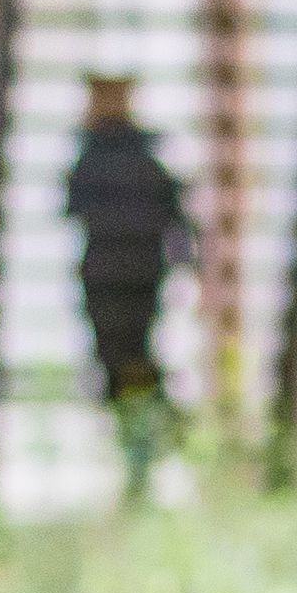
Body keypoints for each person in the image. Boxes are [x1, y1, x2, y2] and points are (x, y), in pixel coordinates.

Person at [64, 74, 188, 430]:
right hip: (128, 270)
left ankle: (138, 421)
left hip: (121, 272)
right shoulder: (131, 157)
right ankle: (136, 419)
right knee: (126, 350)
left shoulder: (101, 157)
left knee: (124, 349)